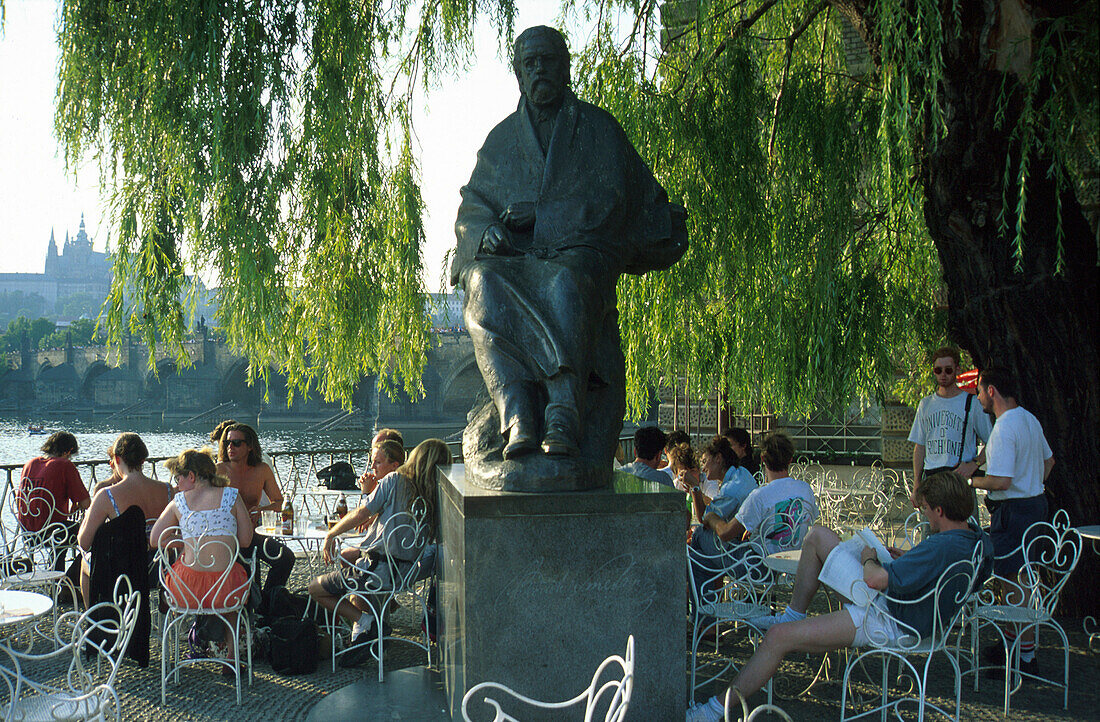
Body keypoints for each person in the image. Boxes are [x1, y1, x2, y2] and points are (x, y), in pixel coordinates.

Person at [453, 25, 687, 469]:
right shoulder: (501, 141)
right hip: (516, 263)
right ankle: (517, 409)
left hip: (581, 256)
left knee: (565, 282)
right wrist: (486, 233)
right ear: (519, 76)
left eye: (547, 60)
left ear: (565, 67)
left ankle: (563, 411)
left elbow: (617, 197)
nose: (539, 69)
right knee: (482, 281)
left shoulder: (599, 129)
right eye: (529, 63)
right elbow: (472, 204)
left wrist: (545, 216)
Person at [686, 470, 993, 721]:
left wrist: (871, 557)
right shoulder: (978, 541)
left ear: (939, 510)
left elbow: (873, 579)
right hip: (918, 615)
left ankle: (713, 711)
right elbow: (944, 577)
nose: (925, 516)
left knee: (779, 636)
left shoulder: (941, 546)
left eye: (926, 510)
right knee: (819, 535)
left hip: (889, 619)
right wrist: (908, 561)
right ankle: (795, 613)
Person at [308, 439, 453, 667]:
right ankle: (366, 630)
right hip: (406, 574)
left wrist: (331, 534)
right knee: (354, 563)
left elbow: (363, 513)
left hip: (376, 572)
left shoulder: (394, 480)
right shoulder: (437, 496)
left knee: (315, 588)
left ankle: (366, 622)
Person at [972, 367, 1054, 673]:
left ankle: (1024, 659)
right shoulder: (1029, 419)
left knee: (1014, 580)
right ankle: (1013, 647)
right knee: (1018, 577)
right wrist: (1032, 484)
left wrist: (971, 482)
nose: (978, 396)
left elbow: (1001, 481)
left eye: (979, 391)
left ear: (991, 391)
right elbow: (1049, 461)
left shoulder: (1005, 426)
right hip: (1034, 506)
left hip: (1015, 511)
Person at [151, 449, 253, 674]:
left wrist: (186, 541)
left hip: (185, 593)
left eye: (178, 478)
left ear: (192, 476)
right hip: (226, 592)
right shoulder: (232, 495)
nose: (176, 485)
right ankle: (232, 656)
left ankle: (184, 649)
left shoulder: (179, 502)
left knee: (179, 572)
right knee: (233, 582)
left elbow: (155, 539)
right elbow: (246, 540)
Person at [76, 433, 171, 607]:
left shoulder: (107, 495)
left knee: (84, 563)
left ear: (117, 460)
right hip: (161, 570)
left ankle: (93, 619)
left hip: (126, 574)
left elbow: (84, 542)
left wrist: (88, 515)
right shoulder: (168, 490)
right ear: (143, 460)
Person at [216, 423, 295, 609]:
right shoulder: (219, 470)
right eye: (227, 443)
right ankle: (253, 609)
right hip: (226, 537)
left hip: (253, 533)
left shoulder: (261, 470)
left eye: (236, 443)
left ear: (250, 446)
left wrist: (261, 509)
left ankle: (267, 603)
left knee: (286, 558)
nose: (230, 447)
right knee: (249, 570)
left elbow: (279, 502)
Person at [699, 432, 818, 555]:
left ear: (762, 459)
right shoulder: (805, 489)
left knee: (700, 535)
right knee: (702, 564)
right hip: (791, 561)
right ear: (790, 460)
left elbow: (725, 533)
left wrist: (711, 517)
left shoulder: (760, 495)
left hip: (757, 565)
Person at [908, 347, 993, 506]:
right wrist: (916, 485)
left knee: (963, 529)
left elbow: (993, 441)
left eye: (948, 370)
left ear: (957, 370)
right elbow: (920, 447)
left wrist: (974, 464)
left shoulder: (972, 403)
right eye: (938, 370)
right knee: (932, 529)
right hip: (932, 479)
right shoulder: (925, 404)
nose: (943, 375)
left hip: (959, 479)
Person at [17, 431, 90, 575]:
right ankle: (71, 579)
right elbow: (86, 503)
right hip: (53, 532)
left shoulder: (29, 464)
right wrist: (76, 505)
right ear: (68, 451)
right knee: (92, 535)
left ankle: (56, 578)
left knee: (62, 538)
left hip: (27, 533)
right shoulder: (64, 465)